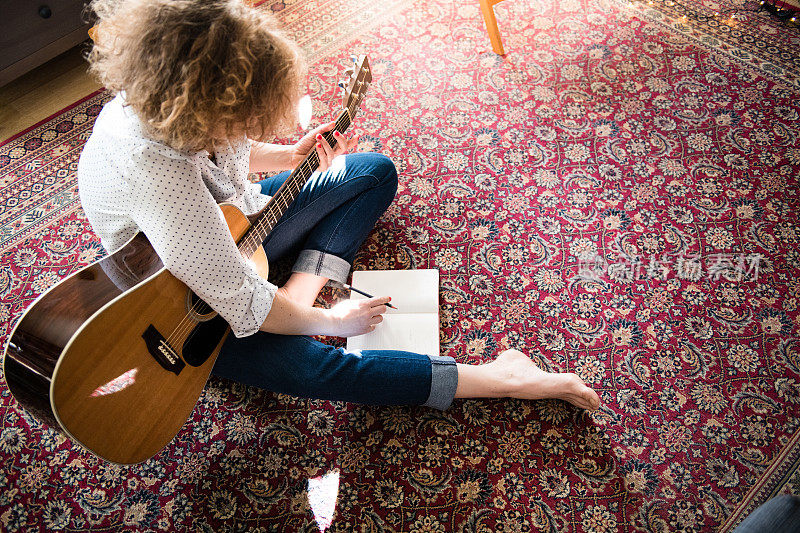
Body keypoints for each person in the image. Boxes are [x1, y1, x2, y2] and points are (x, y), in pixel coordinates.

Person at [77, 0, 600, 414]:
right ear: (206, 109)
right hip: (177, 304)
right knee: (324, 364)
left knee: (373, 172)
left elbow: (226, 155)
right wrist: (327, 318)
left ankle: (298, 282)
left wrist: (289, 154)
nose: (253, 128)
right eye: (244, 119)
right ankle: (498, 377)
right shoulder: (155, 169)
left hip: (233, 230)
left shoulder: (183, 106)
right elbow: (235, 294)